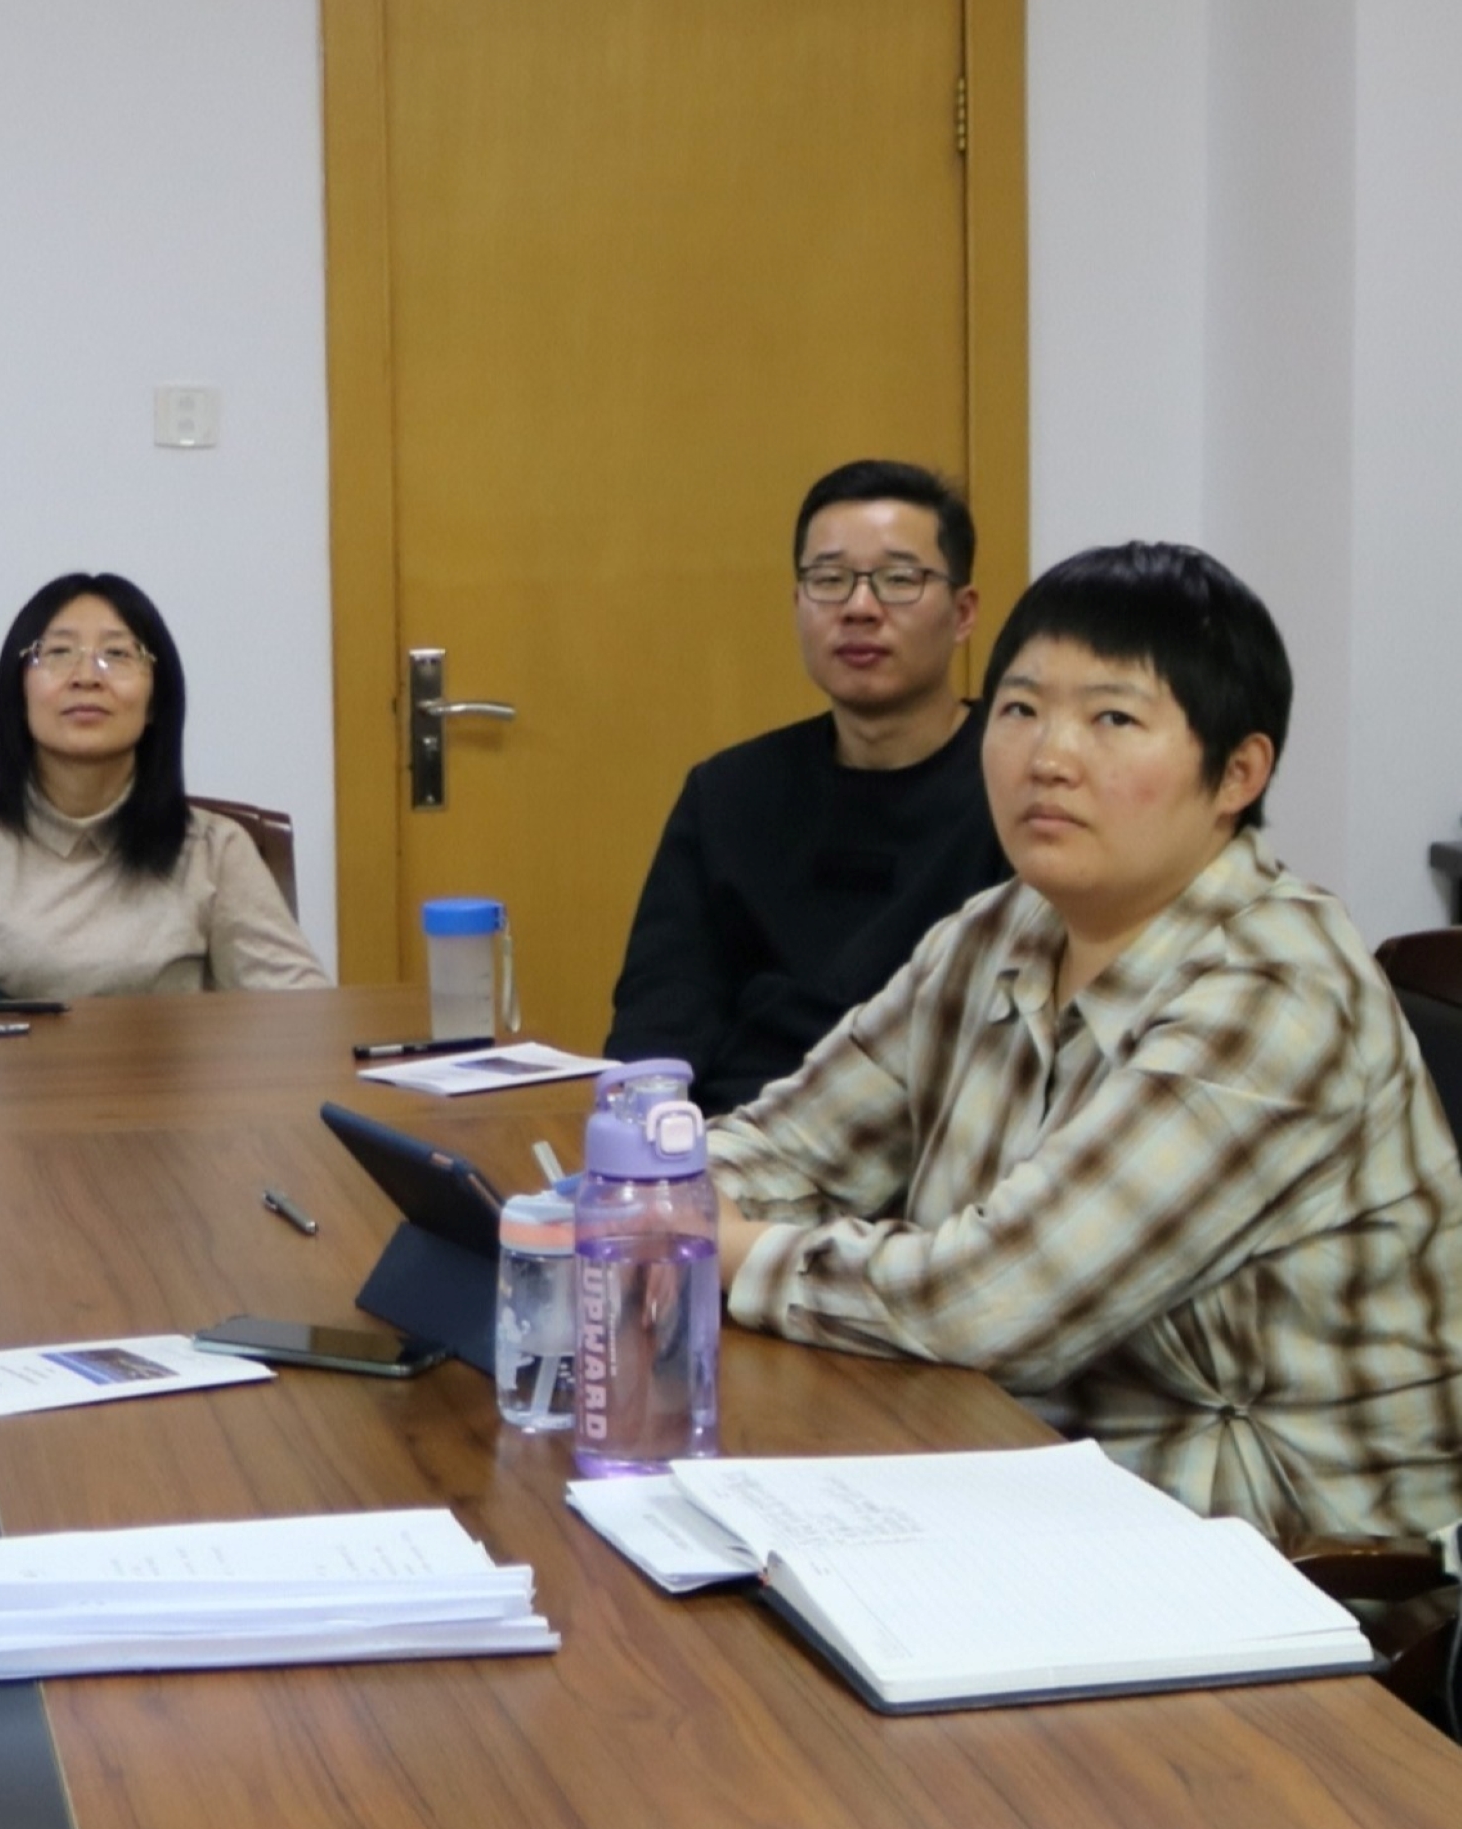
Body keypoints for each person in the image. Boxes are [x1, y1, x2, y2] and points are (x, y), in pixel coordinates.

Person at [711, 542, 1462, 1543]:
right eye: (1020, 709)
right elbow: (787, 1146)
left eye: (1112, 719)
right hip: (1027, 1468)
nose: (1048, 758)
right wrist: (666, 1199)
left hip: (1290, 1556)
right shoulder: (999, 928)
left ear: (1237, 772)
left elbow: (987, 1307)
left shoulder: (1276, 989)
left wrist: (720, 1247)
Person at [609, 460, 1011, 1112]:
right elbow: (661, 1011)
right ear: (798, 605)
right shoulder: (728, 792)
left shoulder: (1023, 788)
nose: (859, 609)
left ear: (963, 614)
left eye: (899, 580)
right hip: (730, 1135)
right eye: (828, 580)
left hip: (922, 1139)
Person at [0, 572, 326, 1004]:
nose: (87, 677)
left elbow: (305, 1012)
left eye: (117, 655)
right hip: (2, 1079)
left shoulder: (214, 851)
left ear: (155, 701)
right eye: (58, 653)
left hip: (166, 1079)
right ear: (19, 693)